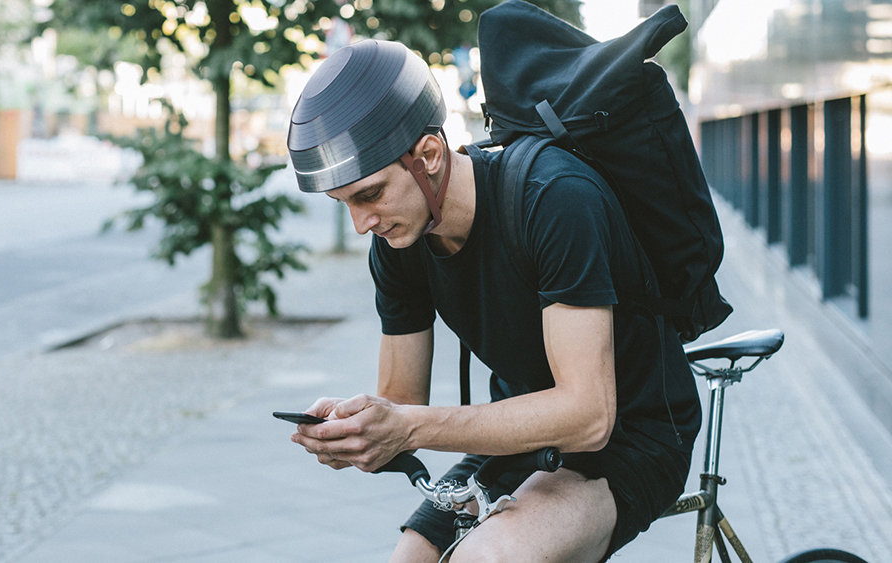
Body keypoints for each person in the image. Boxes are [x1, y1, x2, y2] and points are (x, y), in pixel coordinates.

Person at [285, 38, 701, 563]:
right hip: (517, 438)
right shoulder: (397, 240)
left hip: (630, 435)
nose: (362, 222)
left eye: (369, 194)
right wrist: (360, 431)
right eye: (343, 203)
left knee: (487, 558)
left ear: (429, 156)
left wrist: (408, 425)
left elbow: (588, 415)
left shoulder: (553, 199)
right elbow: (402, 403)